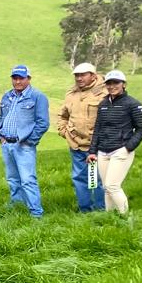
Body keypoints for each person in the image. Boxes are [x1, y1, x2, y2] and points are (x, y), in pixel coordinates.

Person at [0, 65, 50, 219]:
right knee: (12, 178)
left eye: (21, 78)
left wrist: (30, 141)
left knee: (28, 180)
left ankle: (36, 212)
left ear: (28, 79)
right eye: (14, 78)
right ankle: (17, 205)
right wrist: (0, 136)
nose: (17, 81)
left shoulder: (37, 96)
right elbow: (2, 117)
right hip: (6, 143)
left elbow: (43, 123)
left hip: (23, 145)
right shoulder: (7, 96)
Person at [88, 70, 142, 214]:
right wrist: (92, 151)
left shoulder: (133, 104)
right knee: (107, 188)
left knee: (112, 185)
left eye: (116, 83)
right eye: (109, 83)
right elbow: (98, 128)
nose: (112, 86)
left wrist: (128, 147)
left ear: (123, 84)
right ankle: (110, 219)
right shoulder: (103, 104)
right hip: (102, 151)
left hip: (121, 150)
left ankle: (125, 217)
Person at [57, 62, 107, 212]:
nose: (79, 78)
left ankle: (100, 210)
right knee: (79, 178)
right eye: (76, 75)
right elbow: (63, 115)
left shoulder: (105, 92)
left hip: (96, 145)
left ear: (93, 75)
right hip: (76, 144)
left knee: (97, 179)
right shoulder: (71, 93)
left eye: (82, 75)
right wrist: (64, 131)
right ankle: (84, 209)